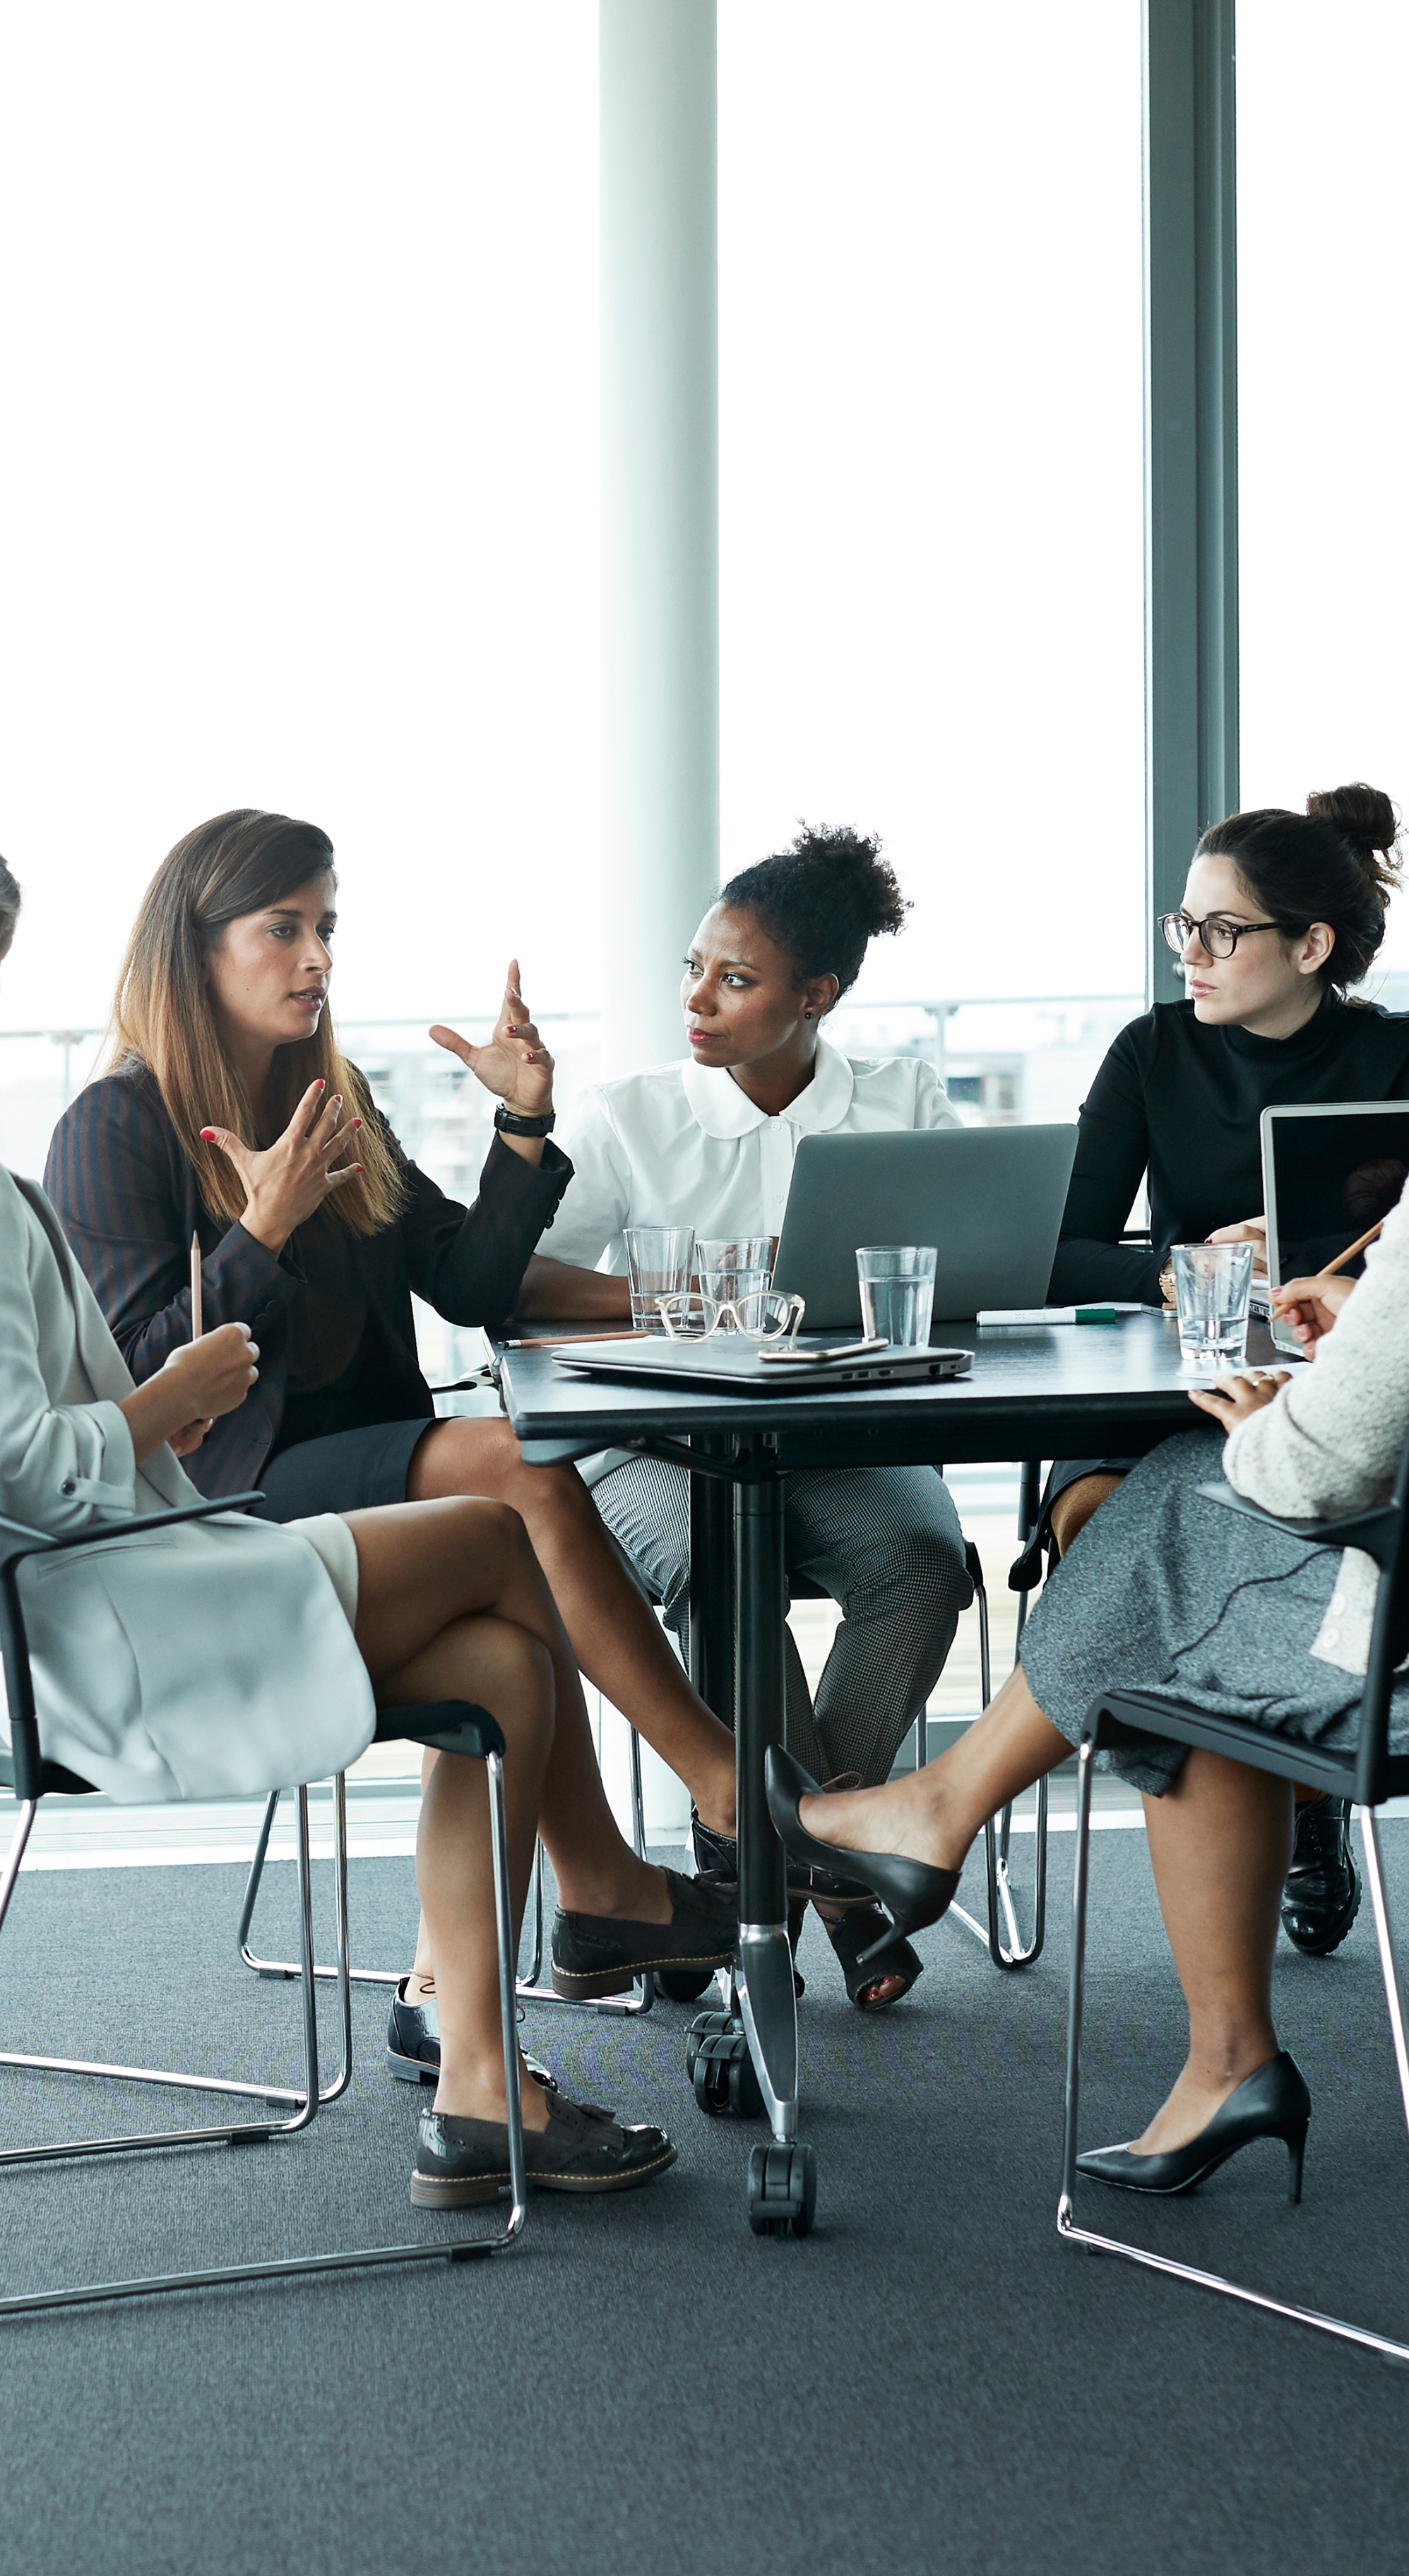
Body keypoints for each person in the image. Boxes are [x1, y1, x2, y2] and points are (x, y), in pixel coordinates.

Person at [765, 770, 1409, 2193]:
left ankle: (977, 1845)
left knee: (1178, 1520)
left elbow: (1308, 1475)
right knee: (1172, 1565)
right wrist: (1363, 1355)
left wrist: (1285, 1406)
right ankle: (1045, 1911)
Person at [0, 817, 680, 2202]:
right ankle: (626, 1879)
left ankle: (481, 2084)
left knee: (504, 1663)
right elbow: (33, 1471)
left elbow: (464, 1275)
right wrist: (171, 1396)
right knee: (500, 1521)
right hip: (92, 1623)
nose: (315, 955)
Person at [44, 809, 737, 2064]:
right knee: (502, 1462)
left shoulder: (335, 1097)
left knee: (496, 1639)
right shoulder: (114, 1127)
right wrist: (255, 1235)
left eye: (327, 928)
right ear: (194, 950)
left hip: (373, 1480)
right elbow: (150, 1382)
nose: (316, 958)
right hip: (227, 1503)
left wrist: (525, 1126)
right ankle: (718, 1785)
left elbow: (467, 1282)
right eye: (283, 929)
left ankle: (569, 1919)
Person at [514, 825, 976, 2009]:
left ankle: (786, 1851)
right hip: (655, 1441)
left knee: (924, 1563)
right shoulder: (632, 1113)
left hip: (836, 1434)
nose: (698, 1000)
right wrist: (689, 1302)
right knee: (732, 1570)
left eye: (734, 978)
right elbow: (522, 1279)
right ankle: (839, 1889)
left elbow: (969, 1272)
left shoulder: (903, 1098)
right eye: (692, 969)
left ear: (815, 996)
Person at [1035, 785, 1409, 1943]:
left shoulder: (1404, 1056)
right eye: (1183, 926)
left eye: (1221, 931)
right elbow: (1058, 1249)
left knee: (1302, 1525)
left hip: (1336, 1391)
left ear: (1311, 946)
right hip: (1163, 1385)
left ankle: (1297, 1776)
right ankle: (1271, 1785)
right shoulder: (1152, 1052)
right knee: (1094, 1516)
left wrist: (1335, 1273)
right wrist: (1179, 1267)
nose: (1192, 954)